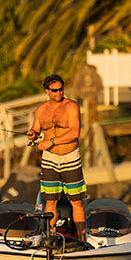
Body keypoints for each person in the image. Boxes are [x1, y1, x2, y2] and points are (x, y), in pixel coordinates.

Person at [26, 74, 87, 240]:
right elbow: (36, 129)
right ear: (47, 91)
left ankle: (82, 239)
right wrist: (33, 134)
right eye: (55, 90)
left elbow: (75, 132)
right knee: (50, 201)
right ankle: (49, 236)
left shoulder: (71, 107)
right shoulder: (41, 110)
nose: (59, 93)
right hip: (49, 159)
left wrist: (51, 141)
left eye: (61, 89)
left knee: (77, 201)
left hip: (70, 157)